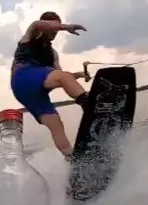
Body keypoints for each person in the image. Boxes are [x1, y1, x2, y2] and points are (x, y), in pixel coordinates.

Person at [10, 11, 91, 158]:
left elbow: (61, 78)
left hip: (33, 93)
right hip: (24, 77)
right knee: (61, 77)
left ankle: (72, 160)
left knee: (56, 124)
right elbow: (37, 24)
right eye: (52, 26)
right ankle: (88, 105)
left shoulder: (52, 54)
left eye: (57, 28)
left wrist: (79, 75)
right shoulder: (32, 35)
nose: (55, 30)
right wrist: (66, 27)